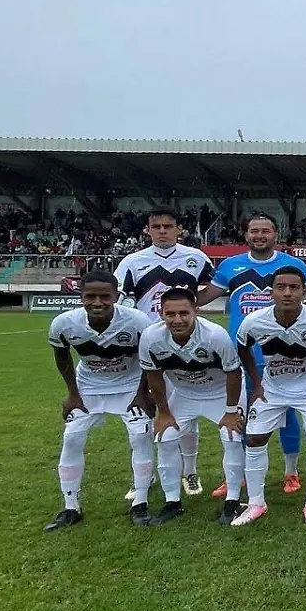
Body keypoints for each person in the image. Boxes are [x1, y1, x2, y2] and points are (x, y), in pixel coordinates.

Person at [196, 213, 306, 498]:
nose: (260, 236)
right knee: (240, 415)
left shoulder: (293, 265)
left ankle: (291, 472)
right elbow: (204, 297)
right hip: (241, 355)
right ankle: (239, 475)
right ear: (246, 235)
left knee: (287, 414)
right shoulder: (230, 265)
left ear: (276, 235)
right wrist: (173, 300)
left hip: (284, 354)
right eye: (254, 231)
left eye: (266, 231)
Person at [113, 208, 214, 499]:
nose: (162, 231)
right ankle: (143, 475)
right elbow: (118, 298)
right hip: (148, 345)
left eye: (168, 226)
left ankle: (189, 472)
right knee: (144, 413)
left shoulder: (196, 257)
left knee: (186, 412)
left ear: (179, 228)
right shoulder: (132, 262)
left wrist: (193, 307)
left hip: (187, 344)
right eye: (156, 226)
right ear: (147, 230)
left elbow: (217, 285)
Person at [231, 267, 306, 527]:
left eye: (294, 287)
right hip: (272, 389)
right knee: (254, 439)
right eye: (281, 287)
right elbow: (243, 347)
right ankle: (256, 503)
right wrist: (256, 383)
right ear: (271, 292)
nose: (288, 293)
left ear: (304, 292)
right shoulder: (254, 321)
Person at [45, 271, 156, 531]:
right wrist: (73, 394)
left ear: (116, 296)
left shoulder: (138, 321)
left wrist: (143, 393)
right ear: (81, 297)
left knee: (140, 435)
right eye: (90, 296)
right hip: (89, 386)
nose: (97, 302)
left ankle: (140, 503)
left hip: (130, 385)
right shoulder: (64, 323)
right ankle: (71, 507)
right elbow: (62, 357)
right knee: (72, 437)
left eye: (105, 296)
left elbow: (150, 358)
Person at [140, 287, 246, 526]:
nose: (177, 320)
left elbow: (234, 373)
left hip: (221, 393)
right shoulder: (150, 338)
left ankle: (232, 501)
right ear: (161, 313)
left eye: (184, 313)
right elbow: (153, 376)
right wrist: (163, 412)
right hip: (184, 393)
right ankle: (172, 502)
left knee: (231, 436)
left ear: (196, 311)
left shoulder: (215, 335)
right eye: (170, 314)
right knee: (165, 437)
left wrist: (231, 412)